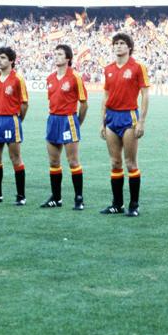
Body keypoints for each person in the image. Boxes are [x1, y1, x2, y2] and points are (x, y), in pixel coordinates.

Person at [99, 33, 150, 217]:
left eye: (122, 43)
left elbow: (145, 94)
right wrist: (102, 121)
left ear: (129, 47)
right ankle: (117, 204)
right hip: (112, 117)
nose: (118, 46)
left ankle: (134, 205)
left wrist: (141, 121)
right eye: (116, 43)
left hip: (129, 117)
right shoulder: (109, 69)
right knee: (115, 162)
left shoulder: (137, 67)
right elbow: (106, 96)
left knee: (130, 163)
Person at [43, 44, 88, 210]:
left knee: (73, 161)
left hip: (68, 120)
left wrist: (77, 123)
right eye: (55, 54)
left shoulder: (75, 77)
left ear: (68, 58)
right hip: (52, 120)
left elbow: (84, 104)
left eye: (60, 54)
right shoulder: (50, 78)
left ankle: (79, 198)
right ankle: (56, 197)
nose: (56, 56)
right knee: (54, 161)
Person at [0, 47, 29, 205]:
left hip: (11, 120)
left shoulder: (18, 79)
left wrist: (17, 120)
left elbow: (24, 104)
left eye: (3, 58)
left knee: (15, 158)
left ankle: (21, 196)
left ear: (11, 60)